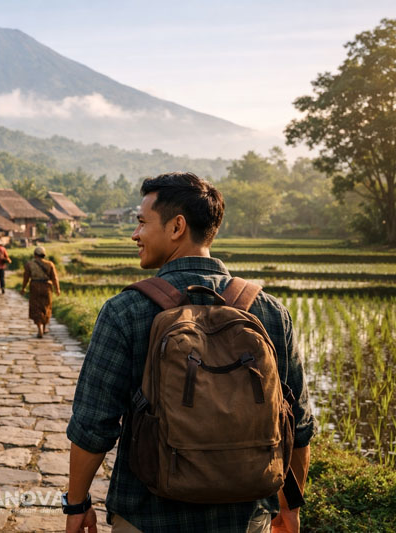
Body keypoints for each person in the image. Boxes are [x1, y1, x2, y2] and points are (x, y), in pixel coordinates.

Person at [64, 173, 315, 533]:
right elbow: (297, 425)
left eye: (141, 223)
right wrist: (290, 508)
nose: (135, 235)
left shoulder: (126, 310)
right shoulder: (269, 311)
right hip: (245, 520)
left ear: (177, 226)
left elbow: (92, 427)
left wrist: (77, 504)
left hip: (148, 517)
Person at [20, 246, 61, 338]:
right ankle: (45, 326)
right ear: (44, 255)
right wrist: (57, 289)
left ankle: (40, 328)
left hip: (35, 286)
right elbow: (55, 278)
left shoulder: (29, 264)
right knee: (46, 306)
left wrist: (23, 288)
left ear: (35, 255)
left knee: (36, 307)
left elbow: (26, 278)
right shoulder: (50, 264)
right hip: (47, 287)